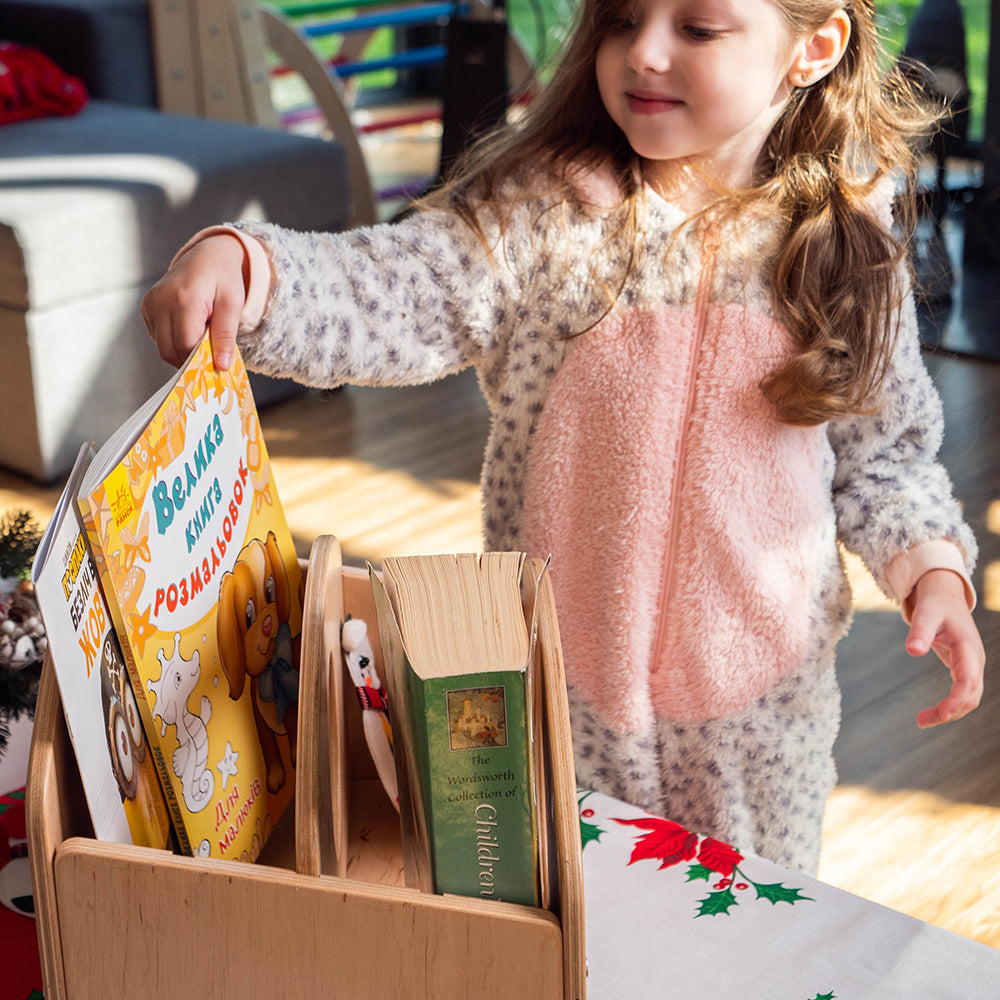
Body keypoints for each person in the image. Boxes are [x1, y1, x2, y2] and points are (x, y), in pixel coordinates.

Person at [142, 0, 985, 874]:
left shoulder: (846, 243)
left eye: (696, 29)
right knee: (562, 934)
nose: (643, 52)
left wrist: (930, 563)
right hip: (553, 701)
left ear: (812, 48)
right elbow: (394, 288)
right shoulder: (543, 212)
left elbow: (885, 455)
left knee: (732, 946)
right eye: (621, 19)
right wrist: (256, 270)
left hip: (760, 728)